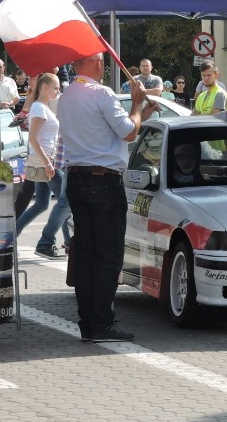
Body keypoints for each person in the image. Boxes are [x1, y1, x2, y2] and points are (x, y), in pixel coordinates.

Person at [57, 51, 158, 342]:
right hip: (103, 181)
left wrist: (140, 114)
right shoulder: (101, 93)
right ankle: (101, 322)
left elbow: (114, 131)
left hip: (77, 177)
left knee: (86, 253)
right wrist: (137, 104)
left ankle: (89, 322)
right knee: (108, 254)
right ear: (98, 63)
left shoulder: (66, 96)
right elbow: (127, 133)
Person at [15, 72, 71, 259]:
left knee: (41, 204)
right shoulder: (39, 108)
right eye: (55, 87)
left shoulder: (42, 107)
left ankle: (11, 236)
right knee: (66, 202)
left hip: (45, 161)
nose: (58, 90)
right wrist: (48, 162)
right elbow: (33, 138)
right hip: (46, 161)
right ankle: (46, 243)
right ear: (44, 87)